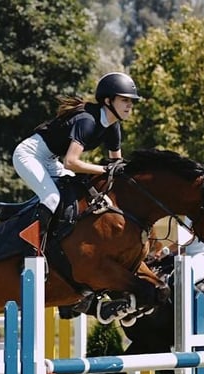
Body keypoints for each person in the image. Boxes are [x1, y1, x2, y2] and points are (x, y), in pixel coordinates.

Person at [12, 72, 141, 250]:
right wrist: (104, 170)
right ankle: (32, 248)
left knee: (80, 192)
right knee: (51, 198)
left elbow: (116, 165)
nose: (129, 105)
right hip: (29, 155)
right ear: (108, 101)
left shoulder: (113, 126)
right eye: (124, 100)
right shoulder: (87, 121)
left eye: (131, 101)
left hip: (50, 160)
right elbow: (70, 163)